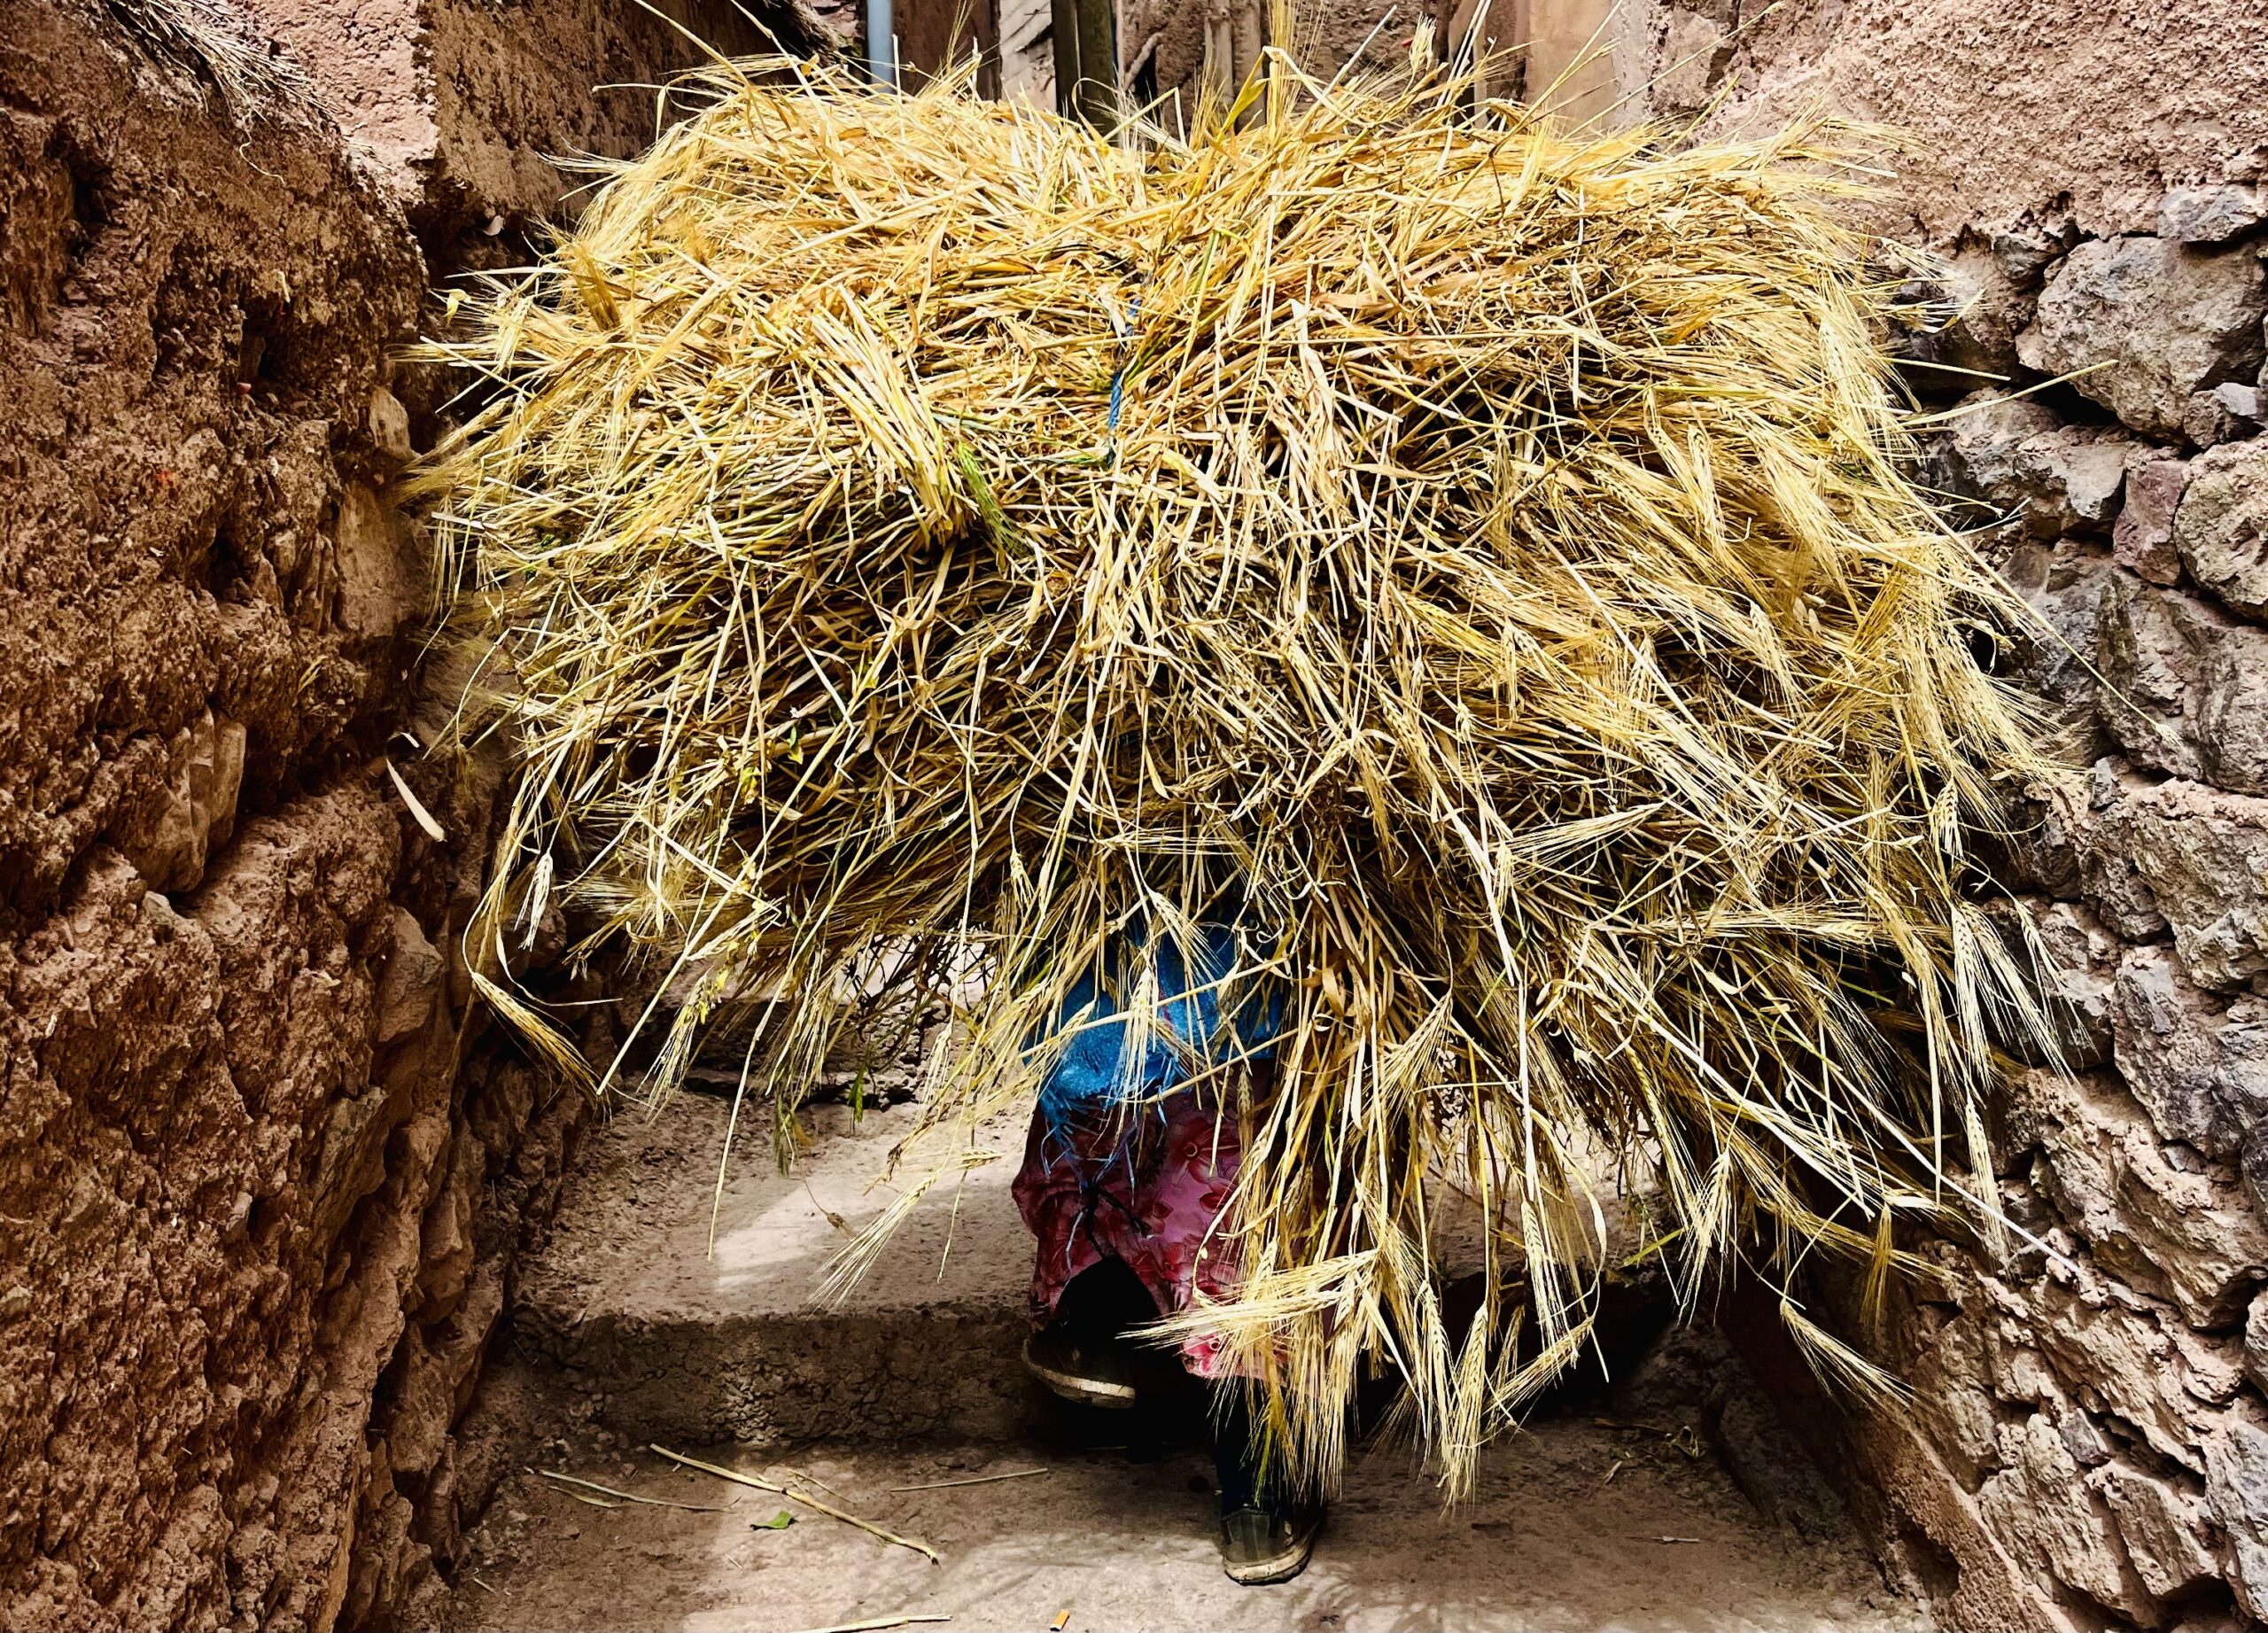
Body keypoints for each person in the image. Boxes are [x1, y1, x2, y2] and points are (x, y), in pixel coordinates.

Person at [1007, 921, 1325, 1585]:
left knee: (1102, 1075)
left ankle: (1095, 1322)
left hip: (1105, 955)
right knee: (1226, 1183)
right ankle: (1255, 1499)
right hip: (1242, 976)